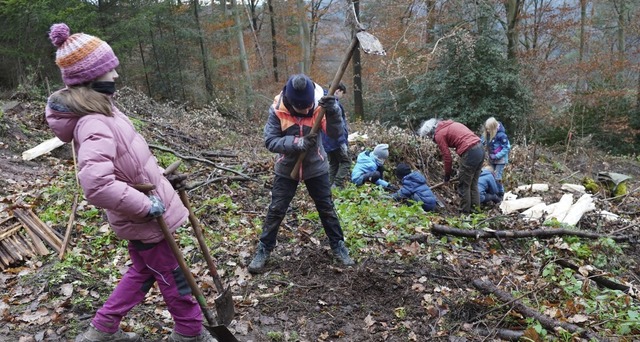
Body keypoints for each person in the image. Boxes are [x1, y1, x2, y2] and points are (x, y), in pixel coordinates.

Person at [45, 23, 214, 342]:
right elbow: (96, 184)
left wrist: (163, 181)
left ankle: (102, 330)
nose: (116, 76)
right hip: (146, 220)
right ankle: (190, 333)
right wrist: (145, 206)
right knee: (174, 276)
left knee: (143, 272)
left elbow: (131, 166)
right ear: (91, 78)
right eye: (110, 70)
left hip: (147, 216)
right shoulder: (94, 122)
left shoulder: (106, 111)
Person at [248, 74, 355, 274]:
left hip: (317, 166)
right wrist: (297, 143)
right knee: (276, 209)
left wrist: (333, 113)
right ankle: (264, 249)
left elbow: (335, 134)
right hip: (287, 167)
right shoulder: (277, 110)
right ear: (290, 102)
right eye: (301, 109)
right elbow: (270, 141)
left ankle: (338, 245)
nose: (306, 111)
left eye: (307, 107)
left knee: (327, 208)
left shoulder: (321, 104)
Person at [418, 118, 484, 213]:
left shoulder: (439, 134)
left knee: (464, 186)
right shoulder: (450, 124)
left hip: (470, 151)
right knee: (473, 184)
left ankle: (464, 214)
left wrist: (447, 176)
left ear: (430, 131)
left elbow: (447, 156)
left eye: (428, 135)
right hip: (480, 149)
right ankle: (476, 213)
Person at [321, 82, 351, 188]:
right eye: (342, 93)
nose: (341, 96)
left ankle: (329, 185)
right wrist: (342, 142)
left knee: (333, 163)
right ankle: (337, 184)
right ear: (338, 91)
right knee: (346, 161)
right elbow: (339, 126)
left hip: (326, 141)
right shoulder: (334, 105)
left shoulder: (322, 102)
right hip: (336, 141)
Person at [482, 117, 510, 197]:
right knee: (490, 174)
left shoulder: (502, 135)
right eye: (486, 129)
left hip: (500, 160)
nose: (487, 131)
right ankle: (493, 190)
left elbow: (507, 147)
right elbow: (482, 141)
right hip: (492, 159)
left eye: (489, 129)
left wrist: (497, 155)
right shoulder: (487, 134)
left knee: (498, 176)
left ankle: (501, 193)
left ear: (493, 128)